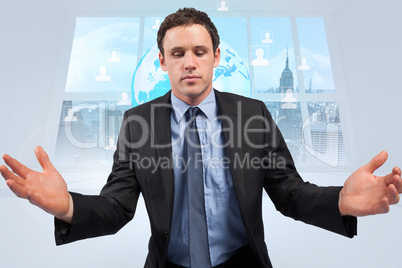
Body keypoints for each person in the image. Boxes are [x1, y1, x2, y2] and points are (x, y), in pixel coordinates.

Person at [1, 7, 401, 268]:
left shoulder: (254, 115)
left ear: (216, 56)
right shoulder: (136, 122)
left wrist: (340, 201)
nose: (189, 62)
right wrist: (68, 205)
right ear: (161, 61)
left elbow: (290, 194)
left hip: (243, 263)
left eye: (199, 51)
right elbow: (117, 207)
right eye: (177, 54)